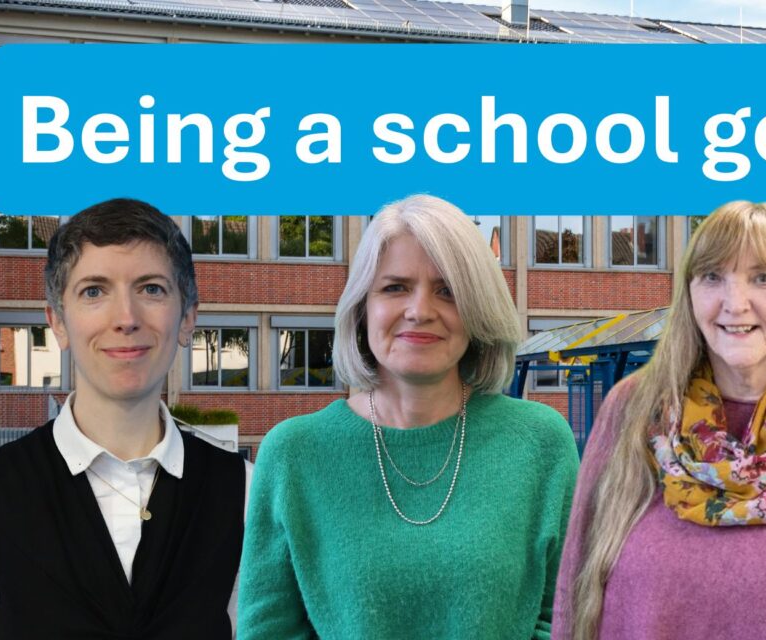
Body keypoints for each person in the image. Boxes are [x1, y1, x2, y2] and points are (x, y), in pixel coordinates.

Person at [553, 201, 766, 640]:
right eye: (713, 277)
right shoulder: (634, 411)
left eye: (762, 278)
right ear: (690, 294)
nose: (735, 304)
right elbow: (574, 588)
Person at [238, 194, 579, 639]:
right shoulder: (293, 454)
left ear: (477, 308)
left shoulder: (541, 443)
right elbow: (268, 631)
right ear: (363, 308)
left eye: (447, 290)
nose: (419, 311)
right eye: (395, 287)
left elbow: (567, 620)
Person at [0, 199, 251, 638]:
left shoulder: (248, 493)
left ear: (187, 318)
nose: (126, 318)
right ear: (58, 323)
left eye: (151, 289)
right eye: (94, 291)